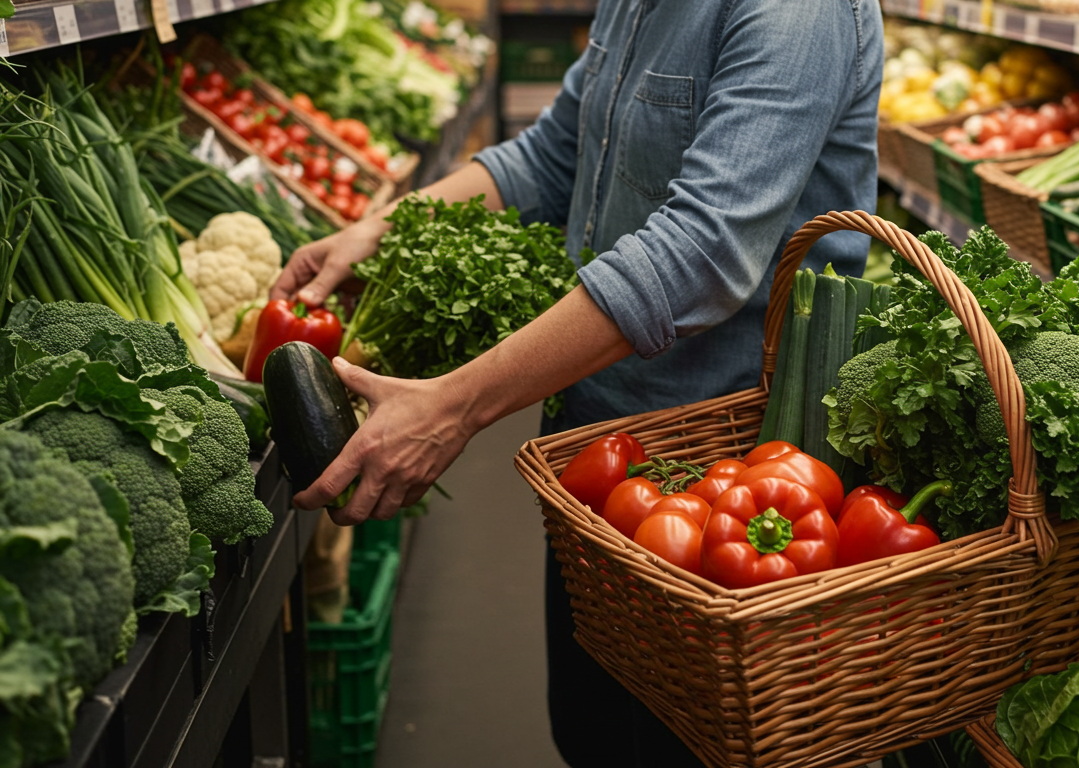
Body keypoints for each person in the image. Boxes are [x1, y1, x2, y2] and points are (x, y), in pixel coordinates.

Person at [273, 1, 882, 765]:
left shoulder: (797, 13)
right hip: (593, 447)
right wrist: (386, 226)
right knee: (593, 731)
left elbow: (702, 251)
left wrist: (456, 407)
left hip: (734, 474)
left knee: (682, 748)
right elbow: (557, 154)